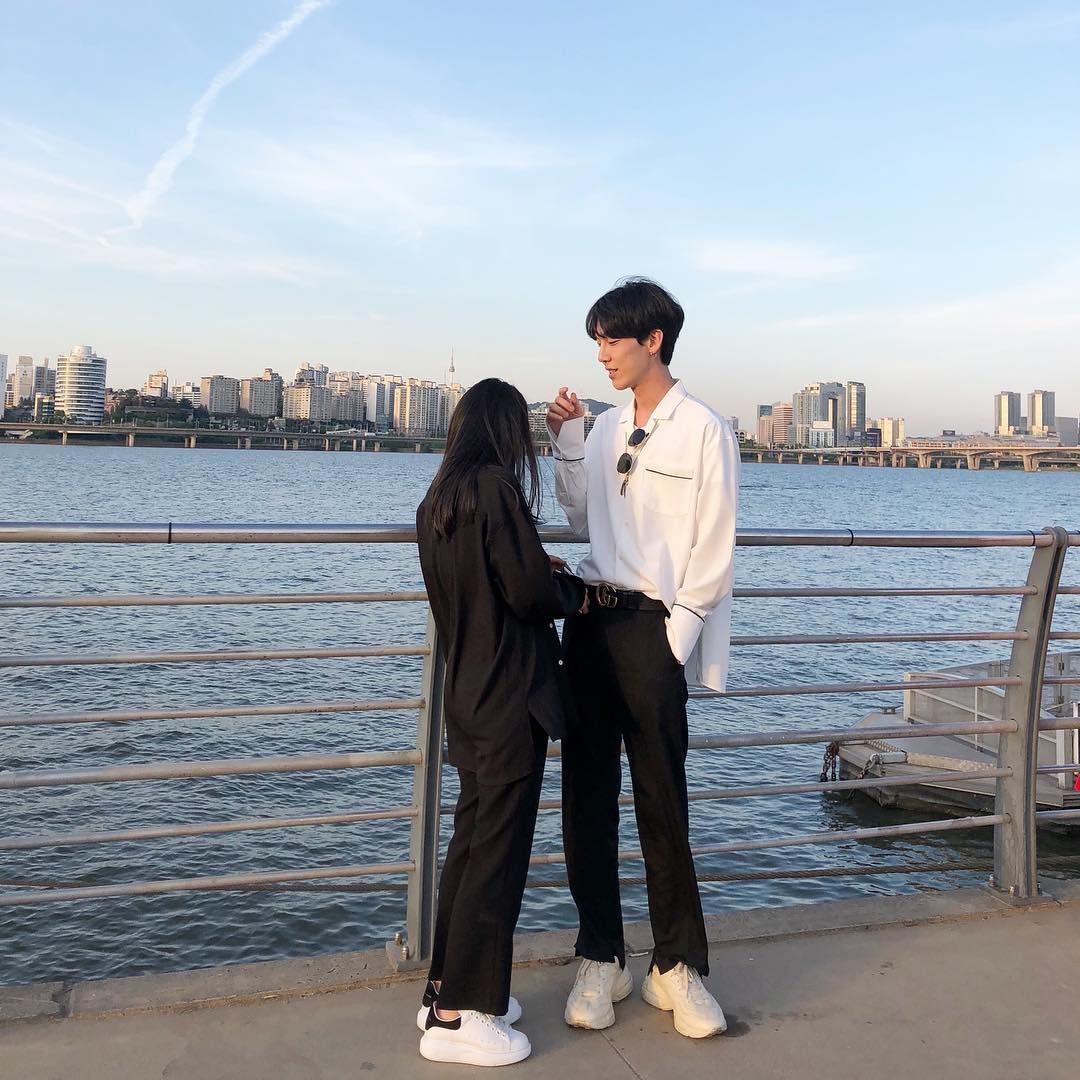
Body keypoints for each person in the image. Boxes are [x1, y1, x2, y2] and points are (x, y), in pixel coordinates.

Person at [546, 277, 740, 1040]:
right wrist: (566, 441)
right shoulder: (601, 429)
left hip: (653, 629)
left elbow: (714, 544)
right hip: (591, 625)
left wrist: (675, 638)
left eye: (612, 340)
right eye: (596, 341)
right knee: (586, 801)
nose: (602, 354)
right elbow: (580, 519)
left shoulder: (704, 429)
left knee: (663, 802)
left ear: (653, 340)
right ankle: (601, 956)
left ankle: (676, 965)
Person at [415, 377, 587, 1066]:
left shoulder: (439, 500)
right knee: (499, 857)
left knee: (471, 848)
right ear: (504, 431)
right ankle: (465, 1013)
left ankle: (443, 990)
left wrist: (531, 563)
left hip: (468, 695)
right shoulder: (496, 490)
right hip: (511, 697)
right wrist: (571, 590)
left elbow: (487, 581)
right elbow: (527, 593)